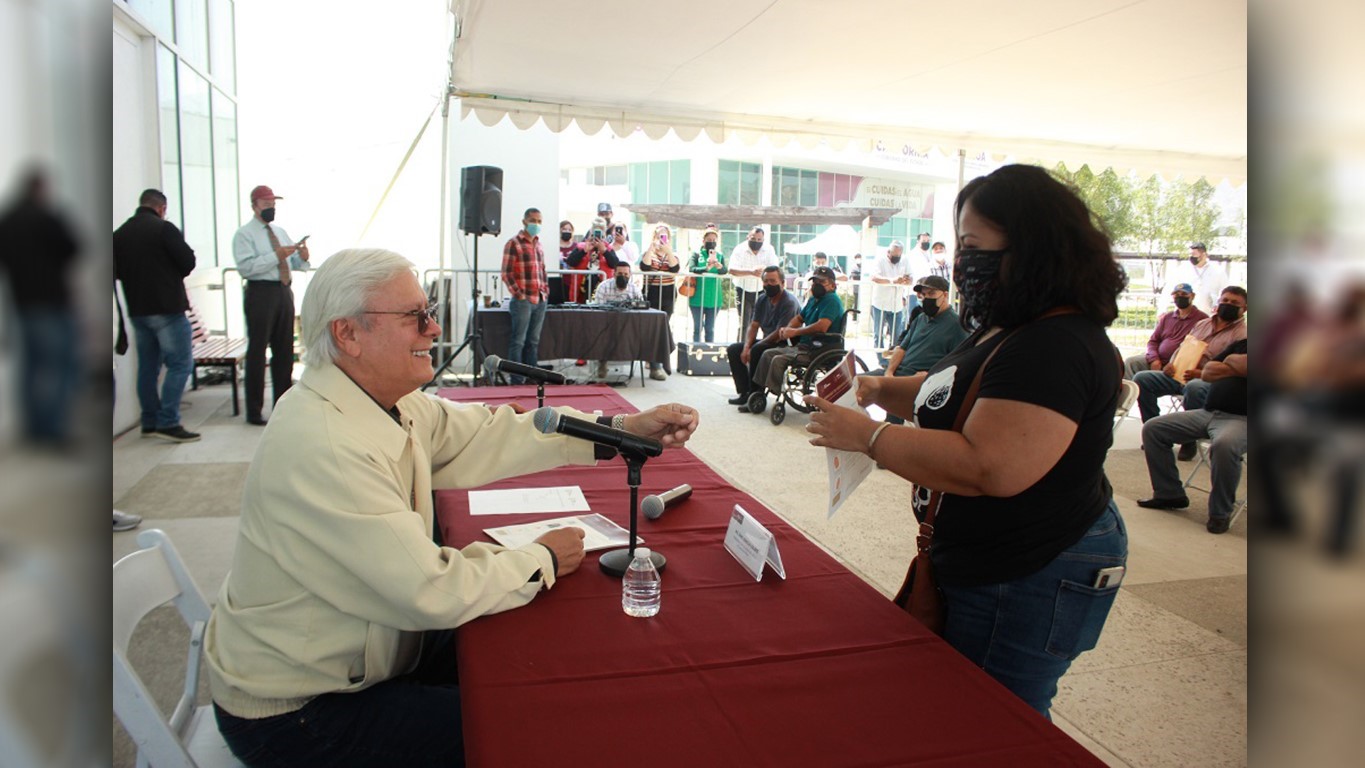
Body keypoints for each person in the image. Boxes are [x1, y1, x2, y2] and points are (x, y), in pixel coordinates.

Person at [206, 247, 700, 767]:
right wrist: (543, 558)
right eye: (414, 316)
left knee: (532, 655)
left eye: (428, 310)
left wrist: (620, 430)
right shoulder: (324, 442)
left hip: (370, 650)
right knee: (532, 724)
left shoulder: (378, 400)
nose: (433, 327)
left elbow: (487, 433)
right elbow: (430, 589)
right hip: (300, 711)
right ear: (346, 334)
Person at [804, 164, 1129, 719]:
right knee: (957, 695)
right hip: (986, 555)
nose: (960, 263)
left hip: (1031, 564)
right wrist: (879, 386)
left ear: (1033, 248)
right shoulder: (1011, 324)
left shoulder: (1054, 345)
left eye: (974, 246)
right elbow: (947, 394)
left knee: (999, 713)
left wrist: (871, 435)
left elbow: (989, 465)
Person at [0, 167, 81, 446]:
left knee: (31, 368)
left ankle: (33, 429)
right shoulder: (47, 217)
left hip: (22, 304)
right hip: (52, 303)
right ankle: (53, 429)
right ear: (41, 189)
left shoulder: (7, 220)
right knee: (60, 367)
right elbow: (73, 248)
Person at [112, 188, 200, 443]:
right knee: (180, 364)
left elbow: (115, 271)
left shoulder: (120, 235)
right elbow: (188, 262)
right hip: (169, 310)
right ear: (161, 208)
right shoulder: (164, 229)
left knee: (148, 368)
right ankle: (168, 421)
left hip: (138, 311)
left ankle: (149, 421)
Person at [1137, 340, 1248, 534]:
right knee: (1153, 428)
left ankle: (1220, 513)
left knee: (1224, 445)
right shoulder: (1242, 344)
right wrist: (1237, 366)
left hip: (1243, 420)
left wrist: (1229, 365)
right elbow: (1208, 372)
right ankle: (1169, 494)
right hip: (1209, 412)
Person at [232, 184, 310, 425]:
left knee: (284, 350)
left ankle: (283, 406)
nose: (271, 209)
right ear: (255, 206)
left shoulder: (280, 231)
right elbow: (246, 267)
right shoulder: (244, 235)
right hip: (260, 293)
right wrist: (277, 255)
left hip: (283, 292)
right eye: (267, 205)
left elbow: (294, 262)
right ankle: (254, 411)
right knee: (257, 352)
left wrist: (302, 257)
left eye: (273, 205)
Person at [1132, 286, 1248, 424]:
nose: (1228, 304)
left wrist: (1200, 373)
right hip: (1179, 374)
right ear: (1218, 302)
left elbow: (1231, 370)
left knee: (1194, 387)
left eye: (1234, 303)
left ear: (1244, 309)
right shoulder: (1202, 324)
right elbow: (1183, 346)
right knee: (1142, 379)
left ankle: (1189, 441)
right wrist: (1172, 363)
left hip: (1207, 381)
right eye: (1225, 300)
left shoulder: (1243, 335)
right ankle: (1153, 426)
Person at [873, 275, 969, 425]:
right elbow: (901, 348)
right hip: (899, 372)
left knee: (884, 391)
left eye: (931, 294)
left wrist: (931, 374)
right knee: (855, 384)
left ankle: (891, 432)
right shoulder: (920, 318)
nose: (926, 298)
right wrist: (889, 372)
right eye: (923, 295)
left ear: (945, 295)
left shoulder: (956, 325)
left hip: (920, 378)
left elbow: (960, 363)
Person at [747, 265, 844, 408]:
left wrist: (795, 332)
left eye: (822, 282)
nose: (817, 285)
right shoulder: (814, 300)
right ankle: (758, 391)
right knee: (767, 354)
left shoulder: (832, 300)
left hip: (820, 349)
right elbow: (799, 318)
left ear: (833, 285)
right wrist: (789, 328)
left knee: (778, 359)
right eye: (815, 282)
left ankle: (777, 392)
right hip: (805, 345)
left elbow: (822, 326)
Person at [727, 266, 800, 407]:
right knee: (734, 349)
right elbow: (754, 325)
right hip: (768, 341)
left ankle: (756, 396)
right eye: (766, 281)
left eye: (773, 281)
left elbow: (780, 333)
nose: (769, 285)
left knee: (758, 350)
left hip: (786, 343)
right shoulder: (762, 299)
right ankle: (745, 392)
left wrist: (755, 346)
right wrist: (747, 346)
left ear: (783, 283)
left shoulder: (788, 302)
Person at [499, 208, 549, 384]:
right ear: (524, 221)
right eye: (533, 220)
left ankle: (533, 379)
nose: (536, 224)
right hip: (523, 301)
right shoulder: (513, 243)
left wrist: (546, 290)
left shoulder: (539, 244)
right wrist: (519, 295)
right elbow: (506, 273)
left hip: (540, 299)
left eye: (539, 221)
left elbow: (542, 270)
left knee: (533, 342)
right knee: (518, 342)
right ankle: (517, 380)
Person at [1123, 283, 1208, 379]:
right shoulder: (1167, 317)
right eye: (1176, 295)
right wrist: (1154, 359)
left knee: (1141, 377)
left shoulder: (1202, 319)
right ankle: (1131, 393)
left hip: (1177, 366)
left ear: (1192, 296)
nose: (1180, 297)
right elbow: (1153, 341)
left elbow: (1198, 348)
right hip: (1158, 359)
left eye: (1184, 294)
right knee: (1131, 362)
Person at [637, 224, 680, 380]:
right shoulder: (648, 253)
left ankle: (658, 362)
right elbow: (645, 266)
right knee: (653, 329)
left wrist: (667, 251)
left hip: (668, 293)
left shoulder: (672, 254)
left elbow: (675, 269)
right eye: (659, 236)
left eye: (665, 235)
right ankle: (654, 365)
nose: (662, 239)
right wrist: (651, 247)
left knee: (663, 328)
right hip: (652, 293)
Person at [590, 262, 645, 379]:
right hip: (607, 324)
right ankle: (602, 364)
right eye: (620, 273)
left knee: (649, 332)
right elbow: (598, 309)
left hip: (629, 326)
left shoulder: (635, 289)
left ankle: (655, 367)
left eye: (626, 274)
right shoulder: (603, 286)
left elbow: (641, 308)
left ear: (630, 275)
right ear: (614, 274)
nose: (623, 276)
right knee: (600, 333)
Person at [727, 225, 779, 338]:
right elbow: (731, 269)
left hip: (762, 290)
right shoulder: (739, 249)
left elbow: (775, 268)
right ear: (747, 237)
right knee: (745, 323)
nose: (756, 242)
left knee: (765, 322)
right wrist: (751, 272)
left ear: (763, 240)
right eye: (753, 239)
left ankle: (760, 349)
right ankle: (740, 349)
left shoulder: (769, 249)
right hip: (743, 289)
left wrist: (764, 271)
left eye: (759, 239)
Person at [687, 225, 729, 343]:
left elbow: (725, 271)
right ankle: (695, 351)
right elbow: (692, 268)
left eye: (714, 240)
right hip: (697, 297)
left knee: (710, 329)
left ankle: (708, 354)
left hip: (714, 298)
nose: (711, 242)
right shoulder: (696, 254)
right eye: (709, 240)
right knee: (697, 328)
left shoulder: (719, 256)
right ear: (703, 241)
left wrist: (719, 267)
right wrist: (706, 268)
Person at [563, 217, 619, 303]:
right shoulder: (581, 246)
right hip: (581, 289)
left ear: (604, 234)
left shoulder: (608, 248)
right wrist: (584, 251)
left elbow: (615, 264)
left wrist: (604, 251)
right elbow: (570, 262)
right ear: (591, 232)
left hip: (603, 290)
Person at [869, 241, 913, 348]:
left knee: (897, 335)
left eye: (899, 255)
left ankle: (892, 358)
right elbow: (874, 277)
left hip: (896, 304)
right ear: (888, 252)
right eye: (894, 255)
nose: (897, 257)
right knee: (878, 334)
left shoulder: (904, 260)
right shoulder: (880, 260)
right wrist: (892, 281)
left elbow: (910, 277)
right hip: (880, 303)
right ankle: (882, 361)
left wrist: (907, 280)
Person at [1172, 242, 1229, 314]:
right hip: (1185, 312)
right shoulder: (1183, 269)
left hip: (1207, 312)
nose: (1191, 257)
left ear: (1204, 255)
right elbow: (1170, 287)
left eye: (1194, 254)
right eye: (1190, 254)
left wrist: (1218, 304)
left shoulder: (1217, 270)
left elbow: (1225, 290)